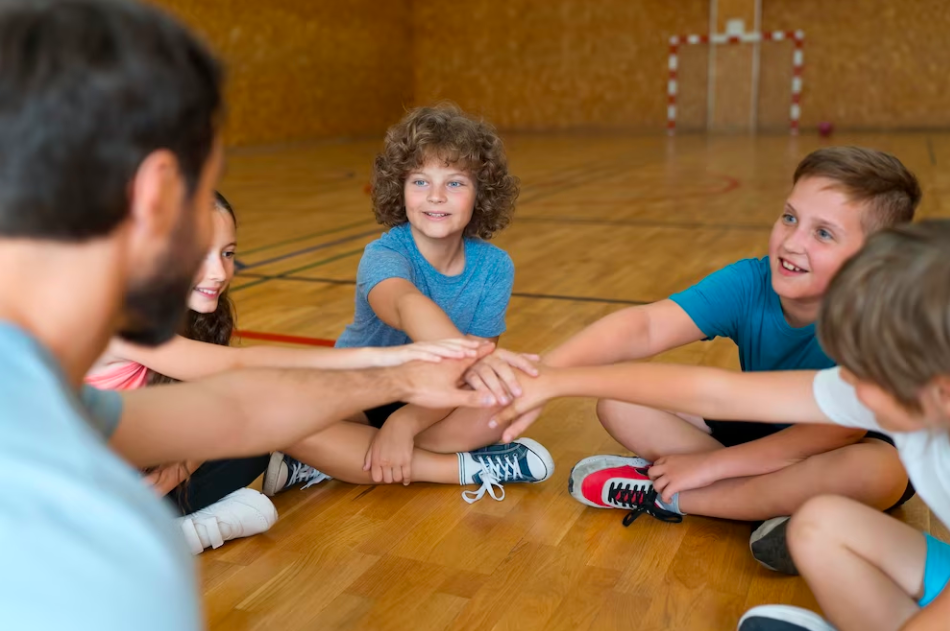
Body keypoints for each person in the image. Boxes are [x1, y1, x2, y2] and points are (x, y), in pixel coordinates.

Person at [0, 2, 494, 629]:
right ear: (156, 194)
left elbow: (235, 408)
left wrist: (395, 370)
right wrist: (393, 370)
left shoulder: (42, 387)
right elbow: (237, 391)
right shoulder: (110, 570)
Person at [491, 220, 950, 631]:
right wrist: (553, 381)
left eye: (867, 362)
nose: (847, 376)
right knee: (817, 523)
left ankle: (678, 495)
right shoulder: (889, 387)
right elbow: (715, 392)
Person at [524, 146, 920, 570]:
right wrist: (538, 371)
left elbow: (831, 436)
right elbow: (648, 327)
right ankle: (778, 509)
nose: (791, 241)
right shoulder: (752, 281)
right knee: (619, 403)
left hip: (845, 446)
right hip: (760, 433)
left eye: (823, 233)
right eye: (790, 217)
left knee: (876, 472)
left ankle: (675, 497)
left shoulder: (881, 322)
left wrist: (710, 466)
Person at [86, 191, 479, 554]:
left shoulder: (178, 315)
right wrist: (382, 362)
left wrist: (174, 472)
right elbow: (240, 366)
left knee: (259, 428)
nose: (220, 272)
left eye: (227, 253)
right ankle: (180, 532)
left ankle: (177, 522)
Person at [263, 104, 553, 503]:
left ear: (481, 194)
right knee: (280, 414)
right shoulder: (383, 256)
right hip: (362, 393)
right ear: (398, 189)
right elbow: (405, 304)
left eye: (455, 183)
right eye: (420, 181)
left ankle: (333, 458)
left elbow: (468, 377)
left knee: (513, 393)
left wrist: (404, 423)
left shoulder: (494, 267)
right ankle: (463, 468)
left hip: (438, 403)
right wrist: (468, 361)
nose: (435, 196)